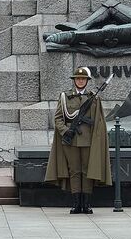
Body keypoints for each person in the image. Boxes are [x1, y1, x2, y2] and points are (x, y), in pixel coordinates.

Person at [44, 67, 112, 214]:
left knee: (87, 170)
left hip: (88, 140)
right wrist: (65, 131)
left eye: (83, 79)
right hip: (71, 139)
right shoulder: (65, 96)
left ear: (87, 81)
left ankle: (86, 204)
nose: (80, 81)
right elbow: (58, 118)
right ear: (74, 80)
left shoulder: (93, 98)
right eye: (78, 79)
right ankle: (76, 204)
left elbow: (98, 120)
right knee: (74, 170)